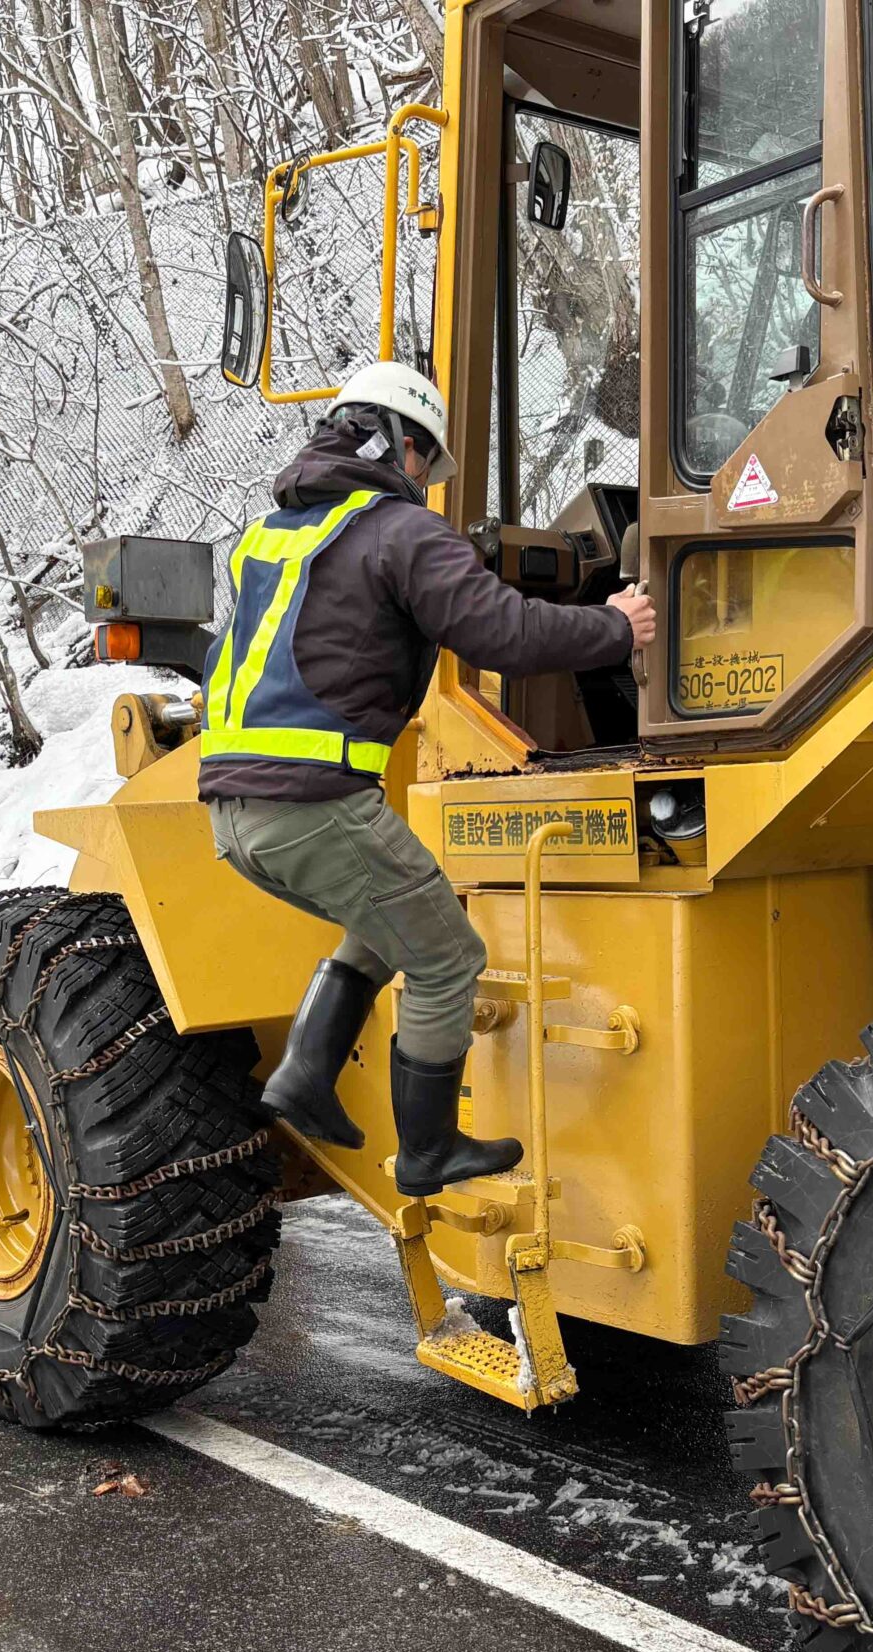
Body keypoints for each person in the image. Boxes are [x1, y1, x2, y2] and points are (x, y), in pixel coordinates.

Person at [201, 361, 655, 1196]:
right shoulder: (400, 533)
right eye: (425, 459)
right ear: (398, 445)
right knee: (448, 957)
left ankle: (305, 1073)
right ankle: (429, 1151)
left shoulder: (267, 536)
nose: (425, 477)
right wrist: (614, 626)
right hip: (315, 803)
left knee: (392, 920)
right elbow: (504, 634)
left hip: (234, 816)